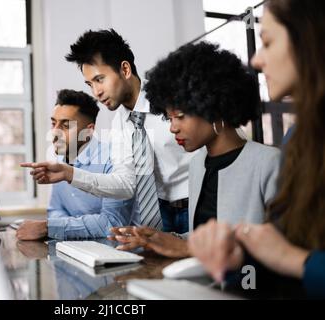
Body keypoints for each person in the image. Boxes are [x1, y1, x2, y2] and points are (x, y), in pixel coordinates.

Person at [188, 0, 325, 299]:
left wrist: (290, 259)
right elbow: (281, 254)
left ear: (310, 37)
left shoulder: (273, 157)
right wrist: (239, 261)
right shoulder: (297, 139)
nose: (256, 60)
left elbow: (289, 256)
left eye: (268, 42)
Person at [109, 42, 280, 257]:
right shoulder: (198, 164)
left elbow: (281, 246)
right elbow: (203, 236)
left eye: (180, 116)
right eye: (169, 118)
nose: (172, 127)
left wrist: (188, 247)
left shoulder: (269, 163)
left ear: (213, 106)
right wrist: (165, 239)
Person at [21, 29, 195, 234]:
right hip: (158, 214)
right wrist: (70, 174)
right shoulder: (119, 123)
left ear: (125, 69)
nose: (96, 92)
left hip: (195, 205)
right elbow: (125, 184)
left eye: (100, 79)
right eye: (90, 84)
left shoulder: (173, 98)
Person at [16, 89, 138, 240]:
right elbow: (55, 210)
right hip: (79, 247)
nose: (54, 132)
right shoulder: (60, 161)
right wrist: (70, 227)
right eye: (53, 123)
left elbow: (112, 224)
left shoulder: (114, 159)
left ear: (88, 131)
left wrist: (48, 227)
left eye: (66, 126)